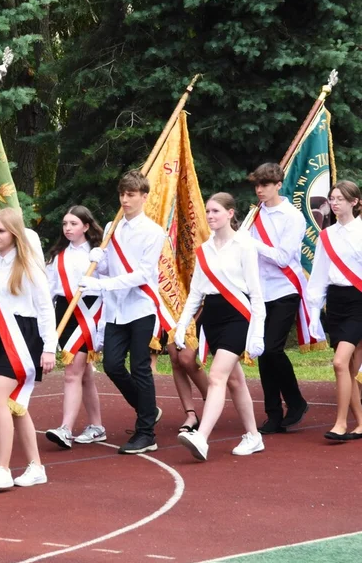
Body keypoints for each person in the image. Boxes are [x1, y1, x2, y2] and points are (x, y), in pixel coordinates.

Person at [79, 170, 173, 454]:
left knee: (140, 368)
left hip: (141, 307)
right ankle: (147, 408)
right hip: (116, 309)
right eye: (122, 194)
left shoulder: (154, 232)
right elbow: (109, 266)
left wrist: (102, 283)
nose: (125, 199)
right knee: (112, 365)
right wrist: (97, 258)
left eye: (131, 195)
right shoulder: (112, 227)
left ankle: (147, 433)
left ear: (144, 197)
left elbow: (142, 274)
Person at [0, 208, 57, 490]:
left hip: (23, 337)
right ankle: (36, 467)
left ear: (15, 233)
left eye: (1, 231)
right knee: (15, 406)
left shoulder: (28, 265)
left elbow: (45, 309)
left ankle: (2, 469)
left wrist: (50, 348)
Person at [175, 193, 265, 460]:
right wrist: (182, 326)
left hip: (238, 316)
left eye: (215, 211)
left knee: (216, 377)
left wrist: (257, 330)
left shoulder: (245, 245)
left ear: (230, 213)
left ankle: (201, 437)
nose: (211, 216)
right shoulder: (204, 249)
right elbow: (195, 294)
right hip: (211, 318)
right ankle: (253, 436)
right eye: (208, 212)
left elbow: (256, 292)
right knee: (235, 381)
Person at [247, 162, 314, 434]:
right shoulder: (254, 215)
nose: (259, 190)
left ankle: (296, 402)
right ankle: (273, 413)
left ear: (278, 185)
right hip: (260, 291)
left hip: (285, 289)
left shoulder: (293, 216)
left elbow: (283, 257)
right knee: (263, 352)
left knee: (273, 348)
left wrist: (253, 244)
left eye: (265, 185)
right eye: (257, 185)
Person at [43, 206, 105, 448]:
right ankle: (97, 426)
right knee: (85, 374)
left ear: (86, 227)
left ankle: (65, 428)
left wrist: (100, 263)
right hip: (65, 313)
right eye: (65, 224)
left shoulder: (99, 254)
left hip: (90, 312)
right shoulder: (57, 255)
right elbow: (48, 292)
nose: (68, 228)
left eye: (74, 224)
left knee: (72, 372)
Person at [306, 181, 362, 442]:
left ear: (355, 202)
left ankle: (340, 423)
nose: (335, 202)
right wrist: (314, 312)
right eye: (332, 198)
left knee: (340, 363)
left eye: (341, 198)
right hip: (336, 302)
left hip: (359, 301)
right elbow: (318, 275)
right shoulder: (326, 235)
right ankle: (360, 423)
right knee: (349, 366)